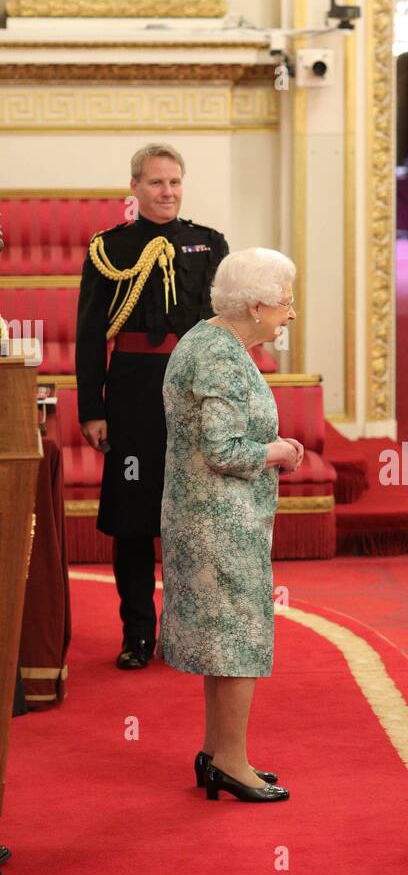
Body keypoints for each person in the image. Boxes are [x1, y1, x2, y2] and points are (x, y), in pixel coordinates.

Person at [157, 248, 304, 803]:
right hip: (219, 521)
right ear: (258, 305)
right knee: (240, 638)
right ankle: (231, 762)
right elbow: (222, 449)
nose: (290, 314)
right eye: (285, 303)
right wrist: (280, 452)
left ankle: (219, 755)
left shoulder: (207, 340)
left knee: (223, 640)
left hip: (204, 515)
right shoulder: (219, 356)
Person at [75, 142, 228, 670]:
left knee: (194, 518)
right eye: (157, 182)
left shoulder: (208, 245)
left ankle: (189, 634)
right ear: (135, 188)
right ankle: (137, 633)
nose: (168, 191)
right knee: (134, 517)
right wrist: (91, 409)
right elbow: (91, 334)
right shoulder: (108, 249)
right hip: (135, 391)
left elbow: (226, 327)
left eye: (175, 182)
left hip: (194, 388)